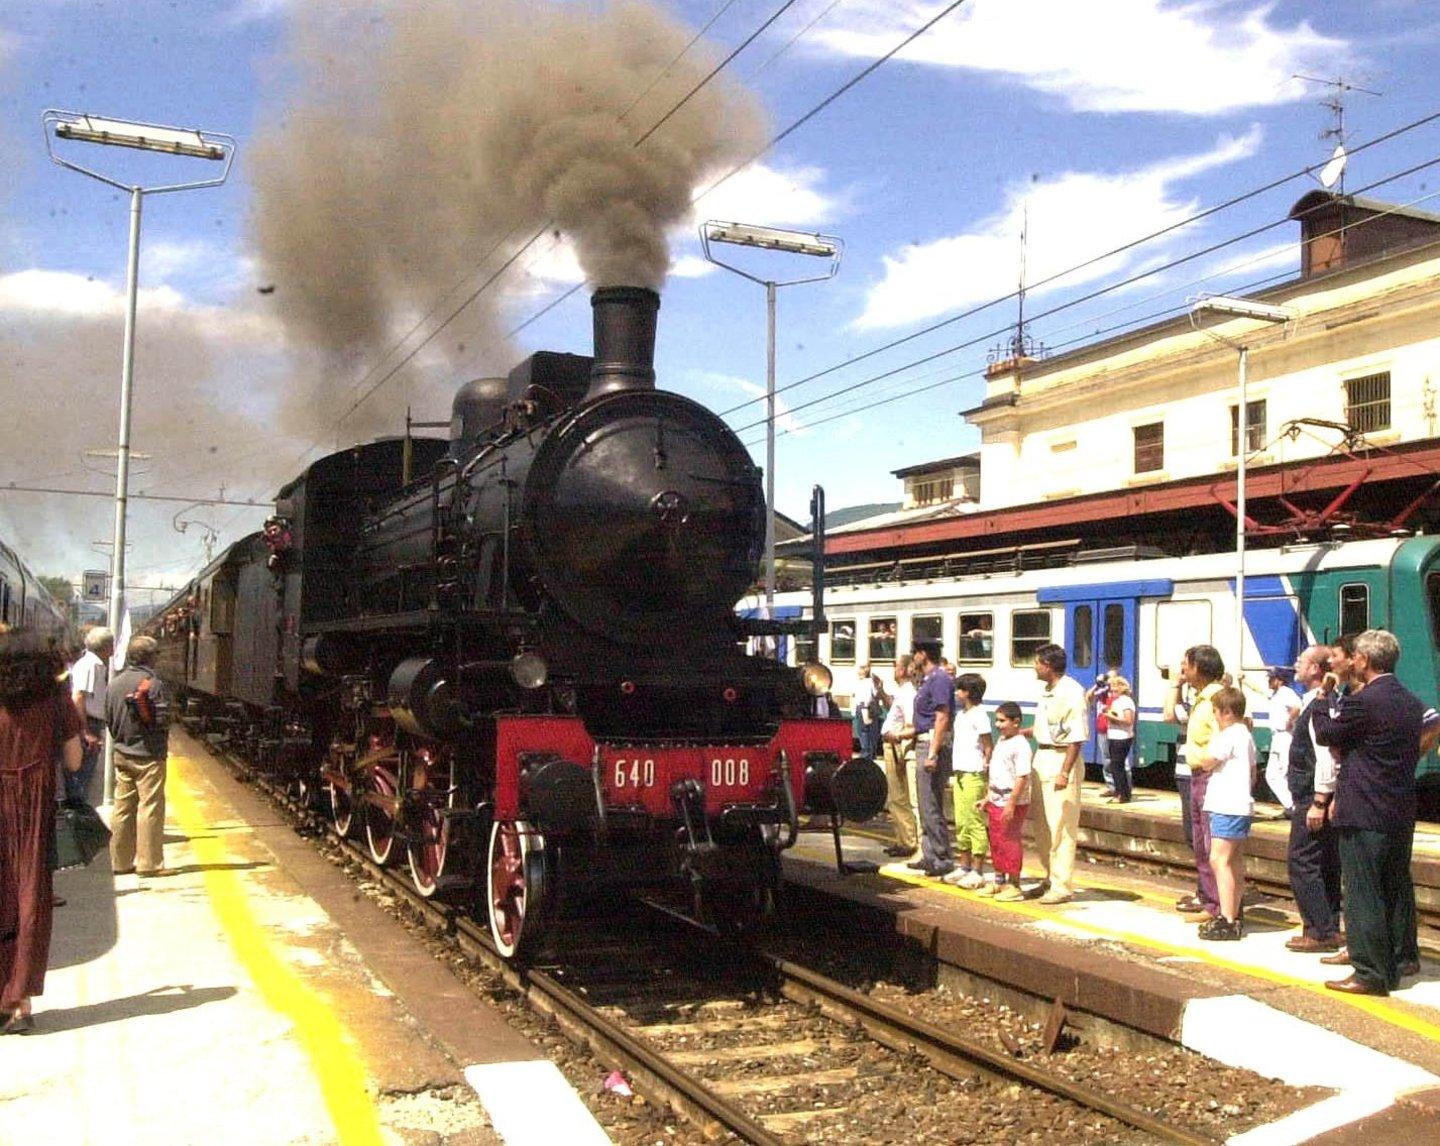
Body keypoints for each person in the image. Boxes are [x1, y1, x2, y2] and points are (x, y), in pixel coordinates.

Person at [1312, 629, 1425, 996]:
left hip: (1364, 810)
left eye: (1356, 657)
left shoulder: (1365, 701)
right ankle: (1396, 959)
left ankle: (1370, 973)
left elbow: (1328, 733)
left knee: (1362, 891)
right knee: (1393, 886)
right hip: (1399, 809)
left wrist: (1321, 697)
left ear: (1363, 660)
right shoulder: (1410, 701)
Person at [1, 630, 84, 1033]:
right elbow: (72, 762)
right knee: (31, 895)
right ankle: (20, 1002)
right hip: (34, 807)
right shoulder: (56, 701)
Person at [1283, 645, 1344, 954]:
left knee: (1302, 861)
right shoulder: (1322, 702)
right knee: (1326, 862)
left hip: (1312, 794)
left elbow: (1325, 756)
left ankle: (1320, 930)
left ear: (1315, 670)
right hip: (1316, 793)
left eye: (1301, 661)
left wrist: (1319, 800)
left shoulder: (1319, 705)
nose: (1296, 664)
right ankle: (1328, 926)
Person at [105, 635, 173, 879]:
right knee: (150, 807)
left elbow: (109, 720)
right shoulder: (153, 683)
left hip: (122, 752)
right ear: (151, 657)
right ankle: (150, 863)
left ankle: (120, 861)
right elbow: (163, 721)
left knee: (123, 806)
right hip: (149, 755)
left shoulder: (114, 683)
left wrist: (122, 740)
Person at [1192, 687, 1256, 941]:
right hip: (1241, 805)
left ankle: (1227, 919)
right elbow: (1252, 771)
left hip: (1226, 805)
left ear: (1228, 713)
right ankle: (1234, 914)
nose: (1215, 718)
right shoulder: (1246, 735)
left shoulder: (1229, 734)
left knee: (1219, 860)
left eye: (1217, 712)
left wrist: (1211, 741)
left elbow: (1206, 761)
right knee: (1234, 861)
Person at [1030, 643, 1087, 904]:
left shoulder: (1072, 693)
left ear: (1048, 666)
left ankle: (1062, 885)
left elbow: (1076, 737)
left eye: (1037, 662)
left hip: (1061, 759)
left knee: (1061, 826)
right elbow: (1045, 727)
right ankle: (1049, 877)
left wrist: (1065, 771)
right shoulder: (1047, 691)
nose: (1034, 666)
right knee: (1042, 824)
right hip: (1042, 757)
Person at [1175, 645, 1225, 923]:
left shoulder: (1216, 699)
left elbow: (1225, 739)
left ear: (1199, 668)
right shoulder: (1201, 698)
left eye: (1187, 665)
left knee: (1208, 842)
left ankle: (1216, 904)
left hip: (1208, 778)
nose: (1183, 670)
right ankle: (1209, 900)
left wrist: (1209, 764)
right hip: (1197, 777)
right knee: (1200, 841)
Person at [907, 641, 955, 879]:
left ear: (923, 654)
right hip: (924, 741)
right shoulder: (929, 679)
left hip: (932, 743)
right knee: (925, 803)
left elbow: (942, 716)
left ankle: (942, 857)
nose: (912, 657)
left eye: (914, 653)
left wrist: (934, 753)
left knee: (931, 802)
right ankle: (930, 854)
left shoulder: (939, 679)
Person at [976, 701, 1030, 902]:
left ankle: (1014, 884)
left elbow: (1022, 776)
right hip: (997, 797)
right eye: (996, 720)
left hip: (1011, 800)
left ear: (1016, 722)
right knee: (996, 840)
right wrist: (987, 797)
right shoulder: (1002, 740)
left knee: (1010, 840)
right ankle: (999, 880)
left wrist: (1011, 803)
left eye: (1002, 721)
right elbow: (997, 772)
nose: (998, 725)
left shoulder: (1020, 744)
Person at [944, 673, 992, 888]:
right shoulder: (961, 715)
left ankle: (977, 869)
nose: (956, 693)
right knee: (961, 821)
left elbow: (987, 745)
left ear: (968, 693)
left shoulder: (980, 715)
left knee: (975, 822)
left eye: (959, 689)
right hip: (961, 773)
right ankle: (963, 865)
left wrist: (987, 768)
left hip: (974, 772)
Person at [67, 625, 113, 805]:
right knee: (81, 775)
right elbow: (78, 697)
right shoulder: (90, 665)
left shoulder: (95, 665)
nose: (113, 650)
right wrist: (85, 731)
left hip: (90, 723)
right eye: (111, 645)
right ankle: (77, 816)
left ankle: (78, 812)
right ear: (105, 646)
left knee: (84, 774)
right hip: (88, 724)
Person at [879, 655, 919, 859]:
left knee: (899, 795)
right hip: (893, 745)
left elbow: (911, 725)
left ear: (903, 670)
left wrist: (897, 739)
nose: (894, 671)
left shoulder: (908, 694)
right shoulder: (903, 693)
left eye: (896, 667)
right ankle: (903, 838)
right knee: (896, 796)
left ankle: (908, 841)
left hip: (896, 746)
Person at [1263, 667, 1302, 814]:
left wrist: (1290, 721)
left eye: (1271, 678)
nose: (1269, 681)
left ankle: (1293, 805)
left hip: (1285, 736)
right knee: (1271, 775)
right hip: (1277, 737)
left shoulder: (1286, 692)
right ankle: (1290, 804)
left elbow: (1297, 707)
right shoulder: (1276, 694)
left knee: (1284, 771)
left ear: (1279, 680)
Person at [1103, 676, 1136, 804]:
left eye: (1115, 688)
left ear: (1122, 688)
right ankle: (1122, 793)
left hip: (1122, 738)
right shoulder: (1117, 701)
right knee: (1116, 766)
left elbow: (1128, 721)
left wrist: (1110, 716)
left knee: (1117, 766)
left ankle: (1121, 795)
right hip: (1114, 736)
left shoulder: (1126, 701)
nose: (1112, 691)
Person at [851, 664, 882, 762]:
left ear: (865, 671)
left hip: (863, 708)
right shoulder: (869, 682)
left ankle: (866, 754)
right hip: (868, 709)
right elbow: (875, 694)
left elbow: (861, 697)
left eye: (860, 670)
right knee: (871, 732)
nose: (858, 672)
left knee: (863, 732)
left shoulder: (864, 682)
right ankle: (871, 753)